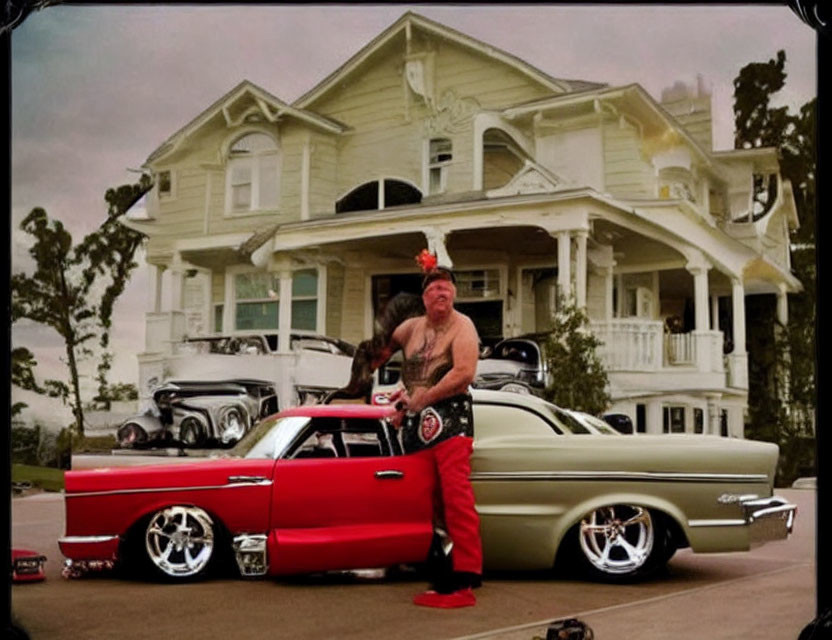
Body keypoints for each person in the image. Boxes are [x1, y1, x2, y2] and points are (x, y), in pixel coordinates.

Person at [385, 251, 483, 609]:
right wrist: (404, 399)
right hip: (417, 426)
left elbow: (463, 374)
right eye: (434, 288)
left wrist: (423, 398)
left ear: (453, 295)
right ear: (424, 297)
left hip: (452, 420)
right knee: (424, 502)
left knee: (456, 499)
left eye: (446, 288)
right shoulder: (413, 329)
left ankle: (466, 574)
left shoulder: (463, 326)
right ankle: (438, 569)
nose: (441, 293)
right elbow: (411, 378)